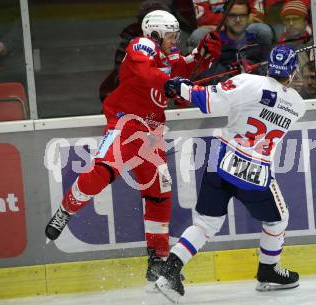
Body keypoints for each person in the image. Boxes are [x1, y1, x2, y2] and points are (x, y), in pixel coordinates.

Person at [44, 10, 221, 288]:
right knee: (101, 172)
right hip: (126, 123)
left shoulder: (169, 55)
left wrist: (203, 56)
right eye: (171, 36)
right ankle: (67, 209)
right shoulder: (142, 45)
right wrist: (171, 82)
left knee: (159, 192)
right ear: (155, 33)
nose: (175, 41)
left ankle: (157, 261)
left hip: (151, 134)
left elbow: (181, 77)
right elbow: (146, 73)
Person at [154, 45, 305, 303]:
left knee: (206, 223)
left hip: (221, 157)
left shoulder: (249, 82)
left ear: (269, 66)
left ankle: (170, 271)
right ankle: (268, 270)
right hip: (255, 170)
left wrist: (180, 86)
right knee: (278, 220)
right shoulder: (299, 105)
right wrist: (243, 81)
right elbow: (268, 97)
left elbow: (208, 102)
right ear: (291, 74)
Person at [196, 0, 272, 84]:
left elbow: (268, 74)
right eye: (233, 16)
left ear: (248, 17)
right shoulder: (214, 45)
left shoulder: (259, 44)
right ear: (224, 17)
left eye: (242, 16)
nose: (238, 20)